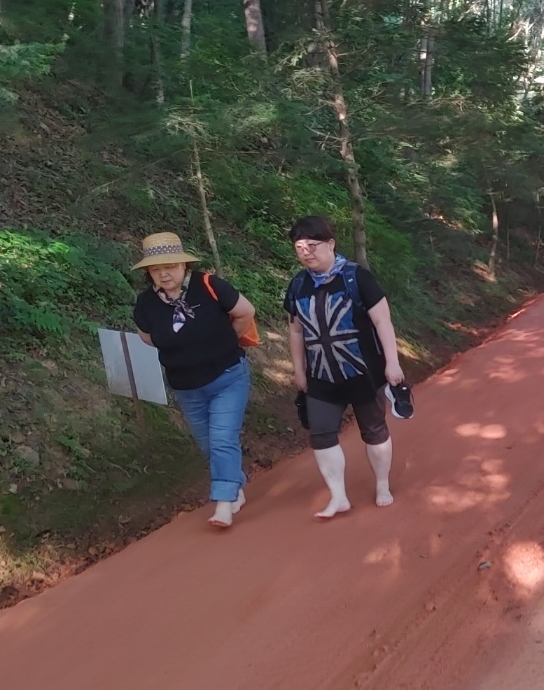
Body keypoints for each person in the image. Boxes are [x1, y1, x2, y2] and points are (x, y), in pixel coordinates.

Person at [283, 215, 405, 518]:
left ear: (330, 244)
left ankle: (382, 485)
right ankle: (338, 496)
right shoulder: (298, 285)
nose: (306, 252)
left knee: (374, 430)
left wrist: (392, 363)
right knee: (321, 435)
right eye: (299, 247)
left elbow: (382, 321)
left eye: (312, 245)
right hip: (321, 376)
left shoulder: (357, 277)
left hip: (364, 372)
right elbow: (296, 330)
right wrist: (299, 370)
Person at [132, 232, 256, 528]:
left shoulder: (209, 285)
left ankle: (223, 504)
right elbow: (147, 337)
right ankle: (235, 485)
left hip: (227, 376)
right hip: (186, 387)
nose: (164, 274)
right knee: (208, 445)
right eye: (156, 269)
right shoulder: (146, 303)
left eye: (170, 266)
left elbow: (245, 312)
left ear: (183, 265)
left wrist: (225, 342)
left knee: (223, 438)